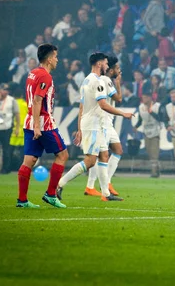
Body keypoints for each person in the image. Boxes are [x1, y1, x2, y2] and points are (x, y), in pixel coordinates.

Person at [59, 53, 133, 202]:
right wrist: (122, 113)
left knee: (104, 155)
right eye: (105, 63)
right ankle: (59, 184)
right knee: (90, 161)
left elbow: (82, 106)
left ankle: (106, 194)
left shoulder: (86, 80)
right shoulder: (97, 81)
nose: (107, 65)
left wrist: (80, 127)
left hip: (93, 124)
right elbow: (103, 104)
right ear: (99, 64)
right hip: (93, 124)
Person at [16, 44, 69, 208]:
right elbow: (38, 100)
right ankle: (51, 194)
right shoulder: (46, 76)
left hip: (30, 120)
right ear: (48, 59)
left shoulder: (32, 73)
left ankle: (22, 200)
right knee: (63, 155)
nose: (57, 60)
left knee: (29, 160)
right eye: (55, 56)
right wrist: (38, 127)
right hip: (43, 123)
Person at [84, 56, 124, 197]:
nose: (119, 72)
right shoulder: (106, 80)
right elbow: (118, 99)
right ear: (111, 70)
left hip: (107, 121)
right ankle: (97, 185)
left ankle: (101, 184)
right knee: (101, 155)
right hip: (104, 121)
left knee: (116, 151)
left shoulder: (103, 80)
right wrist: (118, 83)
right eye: (117, 69)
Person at [134, 92, 163, 177]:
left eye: (146, 97)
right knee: (149, 151)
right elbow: (140, 119)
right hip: (146, 132)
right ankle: (157, 168)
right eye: (143, 97)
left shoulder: (157, 106)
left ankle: (154, 172)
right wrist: (136, 126)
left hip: (155, 132)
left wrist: (152, 112)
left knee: (154, 152)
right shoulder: (141, 107)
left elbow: (160, 118)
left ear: (150, 98)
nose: (144, 99)